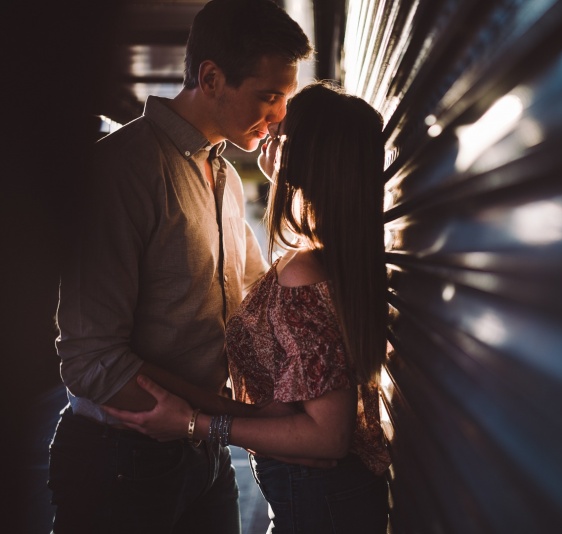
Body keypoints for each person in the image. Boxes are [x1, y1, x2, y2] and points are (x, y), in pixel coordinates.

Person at [48, 1, 313, 532]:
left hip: (202, 453)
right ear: (211, 78)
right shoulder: (124, 169)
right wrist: (234, 418)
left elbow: (257, 300)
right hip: (120, 464)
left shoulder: (228, 179)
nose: (281, 113)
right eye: (269, 95)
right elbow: (92, 360)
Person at [105, 81, 392, 533]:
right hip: (320, 498)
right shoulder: (326, 257)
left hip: (320, 502)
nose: (270, 128)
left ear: (302, 155)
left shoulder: (304, 271)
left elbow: (327, 436)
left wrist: (196, 424)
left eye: (283, 128)